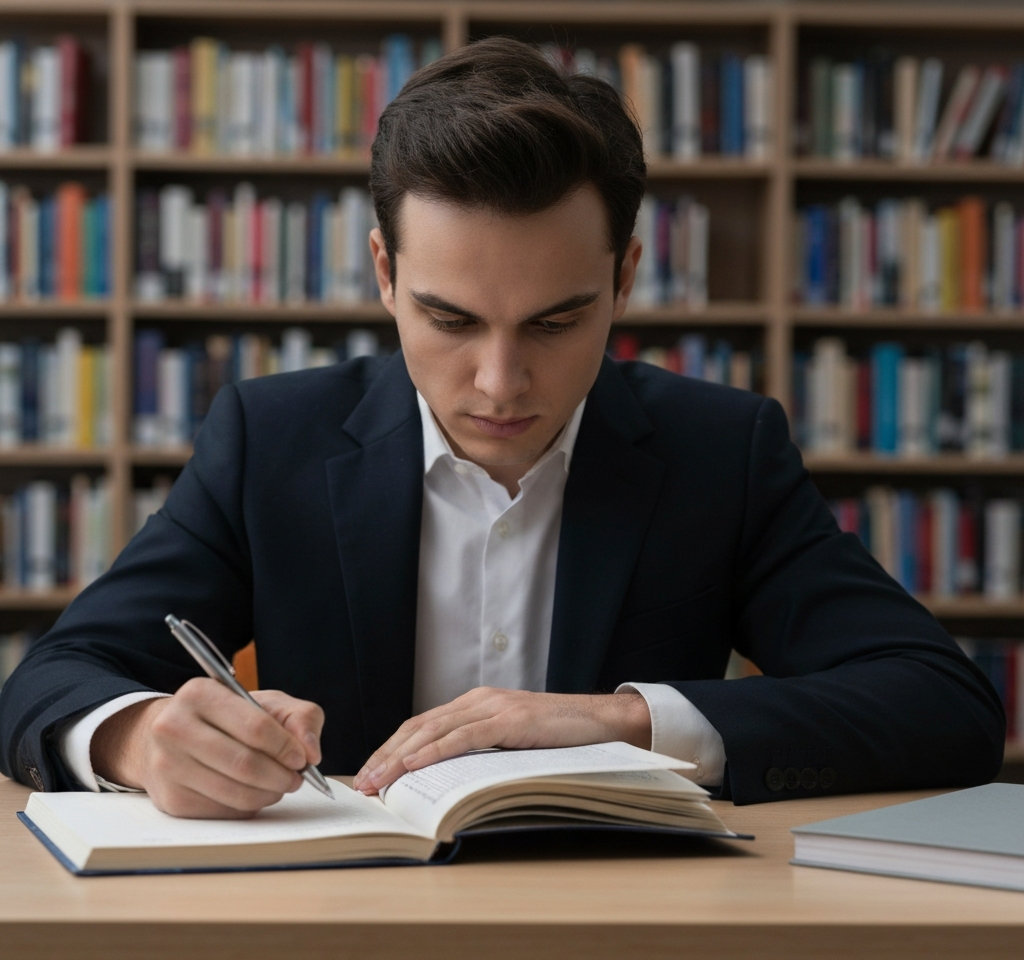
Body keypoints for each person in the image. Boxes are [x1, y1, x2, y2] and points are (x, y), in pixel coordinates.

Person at [0, 38, 1004, 818]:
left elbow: (943, 706)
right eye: (449, 318)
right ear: (384, 274)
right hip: (337, 937)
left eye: (556, 321)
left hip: (635, 940)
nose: (498, 380)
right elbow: (48, 679)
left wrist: (624, 720)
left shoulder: (720, 451)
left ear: (623, 277)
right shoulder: (274, 437)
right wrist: (140, 737)